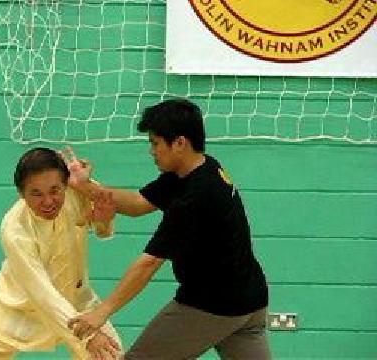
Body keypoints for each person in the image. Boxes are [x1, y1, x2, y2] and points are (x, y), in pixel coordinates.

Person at [66, 99, 271, 359]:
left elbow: (148, 264)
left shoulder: (194, 198)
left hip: (212, 306)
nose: (152, 151)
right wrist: (84, 186)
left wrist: (102, 311)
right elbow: (138, 203)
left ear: (180, 143)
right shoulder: (202, 168)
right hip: (250, 304)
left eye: (155, 143)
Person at [0, 147, 122, 360]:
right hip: (17, 312)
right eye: (36, 193)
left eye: (55, 190)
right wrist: (88, 335)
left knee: (112, 356)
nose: (48, 202)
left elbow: (102, 225)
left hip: (77, 302)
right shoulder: (13, 229)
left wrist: (93, 198)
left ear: (65, 184)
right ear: (21, 193)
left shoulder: (75, 192)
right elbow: (42, 293)